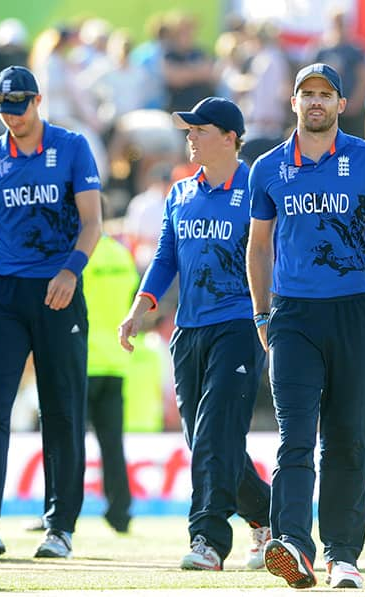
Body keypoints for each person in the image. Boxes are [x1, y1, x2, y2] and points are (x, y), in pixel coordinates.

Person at [247, 64, 365, 589]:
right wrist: (261, 313)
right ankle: (293, 544)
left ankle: (343, 555)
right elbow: (256, 247)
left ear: (342, 104)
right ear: (293, 102)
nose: (315, 102)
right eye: (306, 94)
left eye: (325, 95)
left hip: (353, 312)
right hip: (292, 315)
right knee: (294, 436)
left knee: (346, 438)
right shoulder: (269, 167)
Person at [0, 65, 102, 560]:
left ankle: (60, 526)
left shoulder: (72, 147)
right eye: (3, 111)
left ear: (37, 101)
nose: (10, 119)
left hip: (59, 292)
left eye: (18, 109)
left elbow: (92, 222)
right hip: (5, 293)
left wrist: (70, 270)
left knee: (62, 409)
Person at [120, 97, 272, 571]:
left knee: (213, 433)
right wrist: (139, 307)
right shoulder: (181, 193)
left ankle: (207, 539)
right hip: (189, 329)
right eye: (188, 130)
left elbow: (275, 256)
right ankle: (268, 514)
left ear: (229, 137)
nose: (189, 137)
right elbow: (165, 257)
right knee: (205, 437)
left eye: (199, 130)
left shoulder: (258, 188)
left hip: (241, 325)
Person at [83, 232, 138, 533]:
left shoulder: (80, 251)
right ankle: (120, 513)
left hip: (82, 359)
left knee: (66, 443)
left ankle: (60, 512)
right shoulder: (121, 254)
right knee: (112, 444)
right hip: (116, 361)